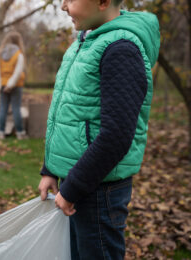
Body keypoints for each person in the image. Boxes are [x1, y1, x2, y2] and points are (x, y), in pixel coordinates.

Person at [38, 0, 160, 259]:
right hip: (77, 182)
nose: (62, 7)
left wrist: (73, 188)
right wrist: (51, 168)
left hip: (98, 191)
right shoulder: (86, 41)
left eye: (70, 0)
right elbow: (71, 114)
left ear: (103, 2)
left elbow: (116, 135)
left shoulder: (121, 49)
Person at [0, 31, 27, 140]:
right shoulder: (19, 54)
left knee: (3, 108)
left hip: (3, 84)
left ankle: (0, 132)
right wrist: (11, 84)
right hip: (16, 85)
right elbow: (18, 72)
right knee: (16, 108)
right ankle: (20, 133)